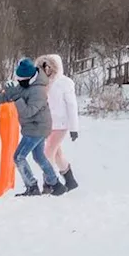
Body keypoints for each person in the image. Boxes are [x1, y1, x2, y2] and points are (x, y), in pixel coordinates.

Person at [0, 57, 65, 197]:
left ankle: (32, 186)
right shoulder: (25, 85)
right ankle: (56, 185)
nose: (19, 82)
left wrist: (16, 99)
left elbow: (28, 112)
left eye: (22, 80)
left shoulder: (39, 91)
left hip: (37, 128)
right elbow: (6, 96)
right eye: (18, 79)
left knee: (18, 157)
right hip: (34, 127)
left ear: (30, 77)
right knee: (39, 157)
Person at [36, 54, 80, 192]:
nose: (46, 70)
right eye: (43, 67)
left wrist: (74, 128)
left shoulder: (64, 83)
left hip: (61, 124)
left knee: (47, 153)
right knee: (57, 154)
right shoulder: (42, 83)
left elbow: (72, 106)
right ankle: (70, 180)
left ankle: (49, 184)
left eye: (48, 67)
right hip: (47, 124)